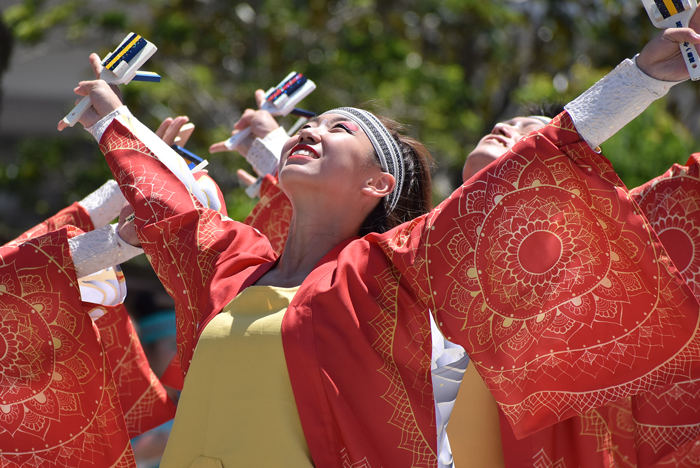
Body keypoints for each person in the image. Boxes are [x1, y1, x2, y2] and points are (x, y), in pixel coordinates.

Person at [52, 16, 700, 468]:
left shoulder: (387, 273)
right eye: (309, 123)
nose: (312, 128)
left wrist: (643, 75)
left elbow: (519, 175)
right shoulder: (233, 264)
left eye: (340, 128)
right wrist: (110, 113)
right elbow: (167, 206)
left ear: (376, 181)